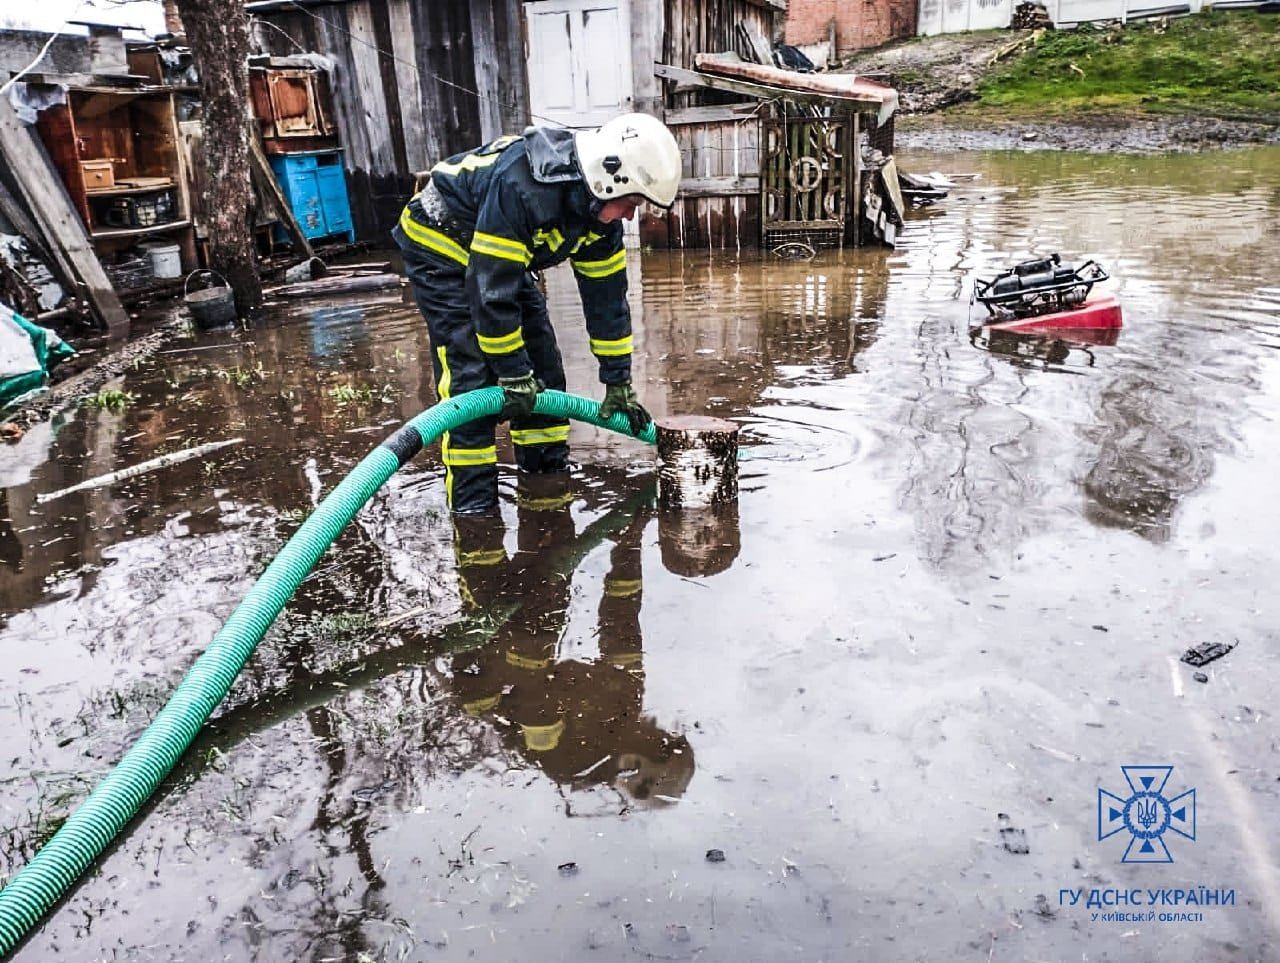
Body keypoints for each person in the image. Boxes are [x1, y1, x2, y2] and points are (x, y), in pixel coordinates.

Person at [392, 112, 682, 515]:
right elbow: (492, 293)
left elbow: (608, 305)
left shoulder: (601, 224)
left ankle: (546, 487)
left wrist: (618, 382)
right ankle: (475, 516)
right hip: (439, 239)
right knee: (471, 378)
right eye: (630, 202)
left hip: (497, 252)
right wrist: (511, 372)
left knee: (544, 371)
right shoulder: (525, 187)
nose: (631, 215)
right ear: (605, 180)